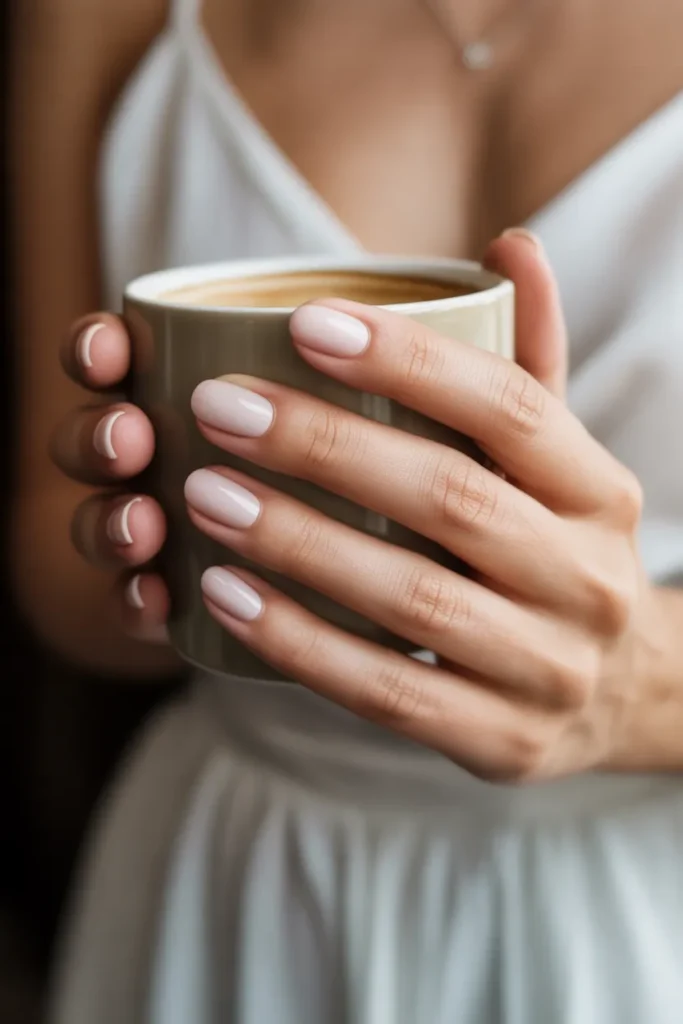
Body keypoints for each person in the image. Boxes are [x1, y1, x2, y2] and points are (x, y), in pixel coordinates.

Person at [9, 0, 683, 1020]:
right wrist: (160, 564)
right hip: (242, 874)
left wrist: (642, 686)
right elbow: (49, 550)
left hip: (640, 906)